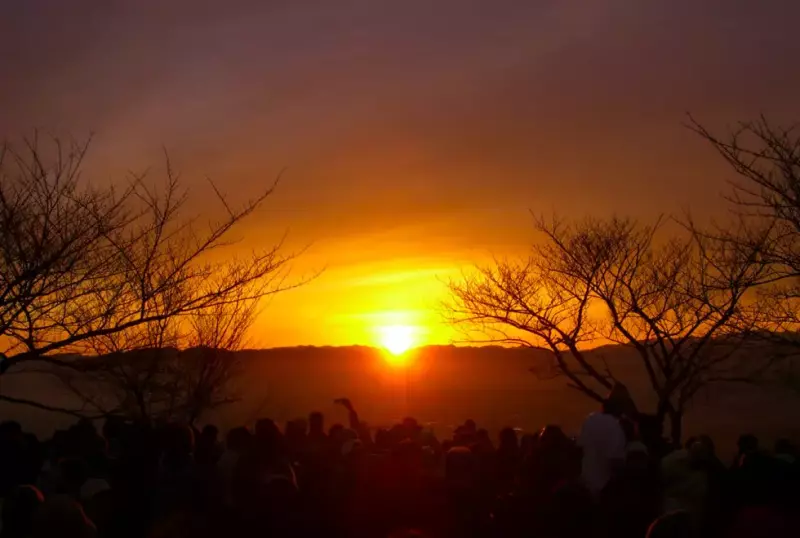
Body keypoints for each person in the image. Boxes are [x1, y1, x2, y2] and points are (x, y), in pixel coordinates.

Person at [577, 384, 631, 497]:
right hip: (604, 490)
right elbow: (616, 462)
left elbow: (580, 449)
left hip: (586, 486)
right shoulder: (616, 428)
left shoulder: (590, 420)